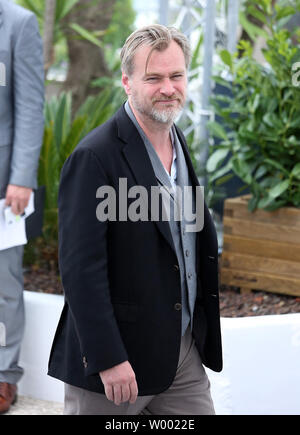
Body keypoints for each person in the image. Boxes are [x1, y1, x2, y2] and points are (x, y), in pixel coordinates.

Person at [48, 24, 222, 415]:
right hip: (116, 365)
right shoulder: (94, 157)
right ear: (127, 82)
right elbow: (80, 268)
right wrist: (108, 358)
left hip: (182, 355)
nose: (168, 88)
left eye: (176, 76)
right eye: (154, 78)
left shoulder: (177, 142)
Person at [0, 0, 44, 414]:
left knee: (3, 285)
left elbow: (31, 105)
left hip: (3, 183)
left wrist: (22, 176)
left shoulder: (18, 23)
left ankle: (3, 375)